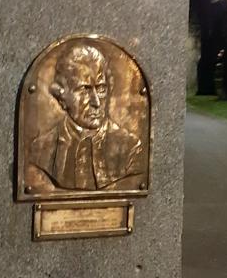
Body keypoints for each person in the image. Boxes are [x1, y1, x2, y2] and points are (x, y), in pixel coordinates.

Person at [27, 44, 143, 191]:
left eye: (101, 89)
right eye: (84, 89)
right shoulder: (41, 149)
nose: (96, 102)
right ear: (62, 96)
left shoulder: (130, 148)